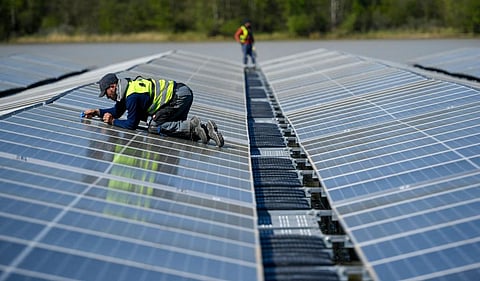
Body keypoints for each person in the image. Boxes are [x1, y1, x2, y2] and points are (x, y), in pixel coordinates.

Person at [83, 73, 224, 147]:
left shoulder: (132, 96)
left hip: (177, 97)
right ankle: (206, 130)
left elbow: (132, 124)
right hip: (181, 93)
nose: (107, 97)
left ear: (113, 86)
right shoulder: (127, 89)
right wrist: (97, 112)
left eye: (106, 93)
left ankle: (193, 125)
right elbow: (118, 111)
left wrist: (113, 122)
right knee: (174, 130)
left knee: (155, 126)